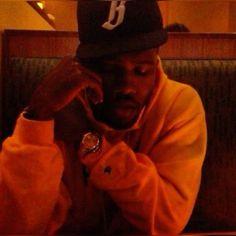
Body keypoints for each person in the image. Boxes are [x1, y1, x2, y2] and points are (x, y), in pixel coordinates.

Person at [0, 0, 207, 235]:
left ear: (156, 60)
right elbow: (15, 227)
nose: (127, 87)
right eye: (110, 69)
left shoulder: (179, 104)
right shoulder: (59, 104)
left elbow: (165, 221)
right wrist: (38, 116)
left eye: (142, 71)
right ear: (83, 66)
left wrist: (92, 144)